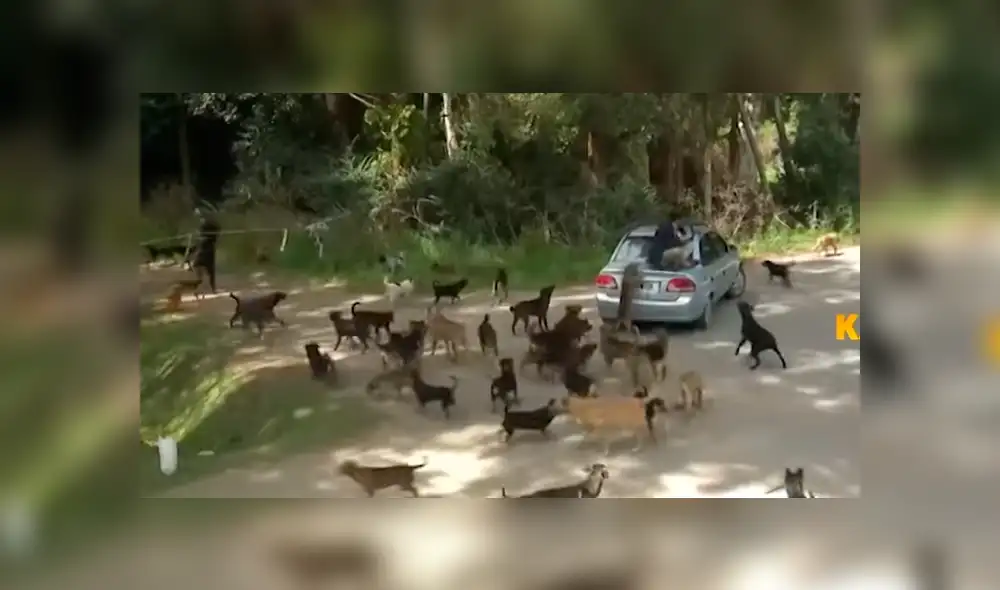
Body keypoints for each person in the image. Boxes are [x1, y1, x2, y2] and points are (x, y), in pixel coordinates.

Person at [191, 210, 221, 293]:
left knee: (206, 268)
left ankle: (209, 287)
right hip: (206, 248)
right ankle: (207, 287)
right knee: (204, 269)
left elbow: (207, 235)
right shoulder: (209, 225)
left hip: (207, 248)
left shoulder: (208, 225)